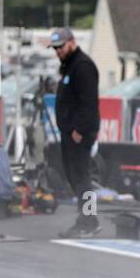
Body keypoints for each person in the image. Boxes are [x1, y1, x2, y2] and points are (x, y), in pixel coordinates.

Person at [49, 26, 102, 237]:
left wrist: (79, 128)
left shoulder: (83, 66)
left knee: (82, 177)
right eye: (55, 48)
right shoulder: (69, 67)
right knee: (73, 176)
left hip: (79, 132)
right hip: (69, 131)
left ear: (72, 42)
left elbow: (88, 102)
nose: (58, 51)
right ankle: (85, 218)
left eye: (61, 47)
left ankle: (90, 221)